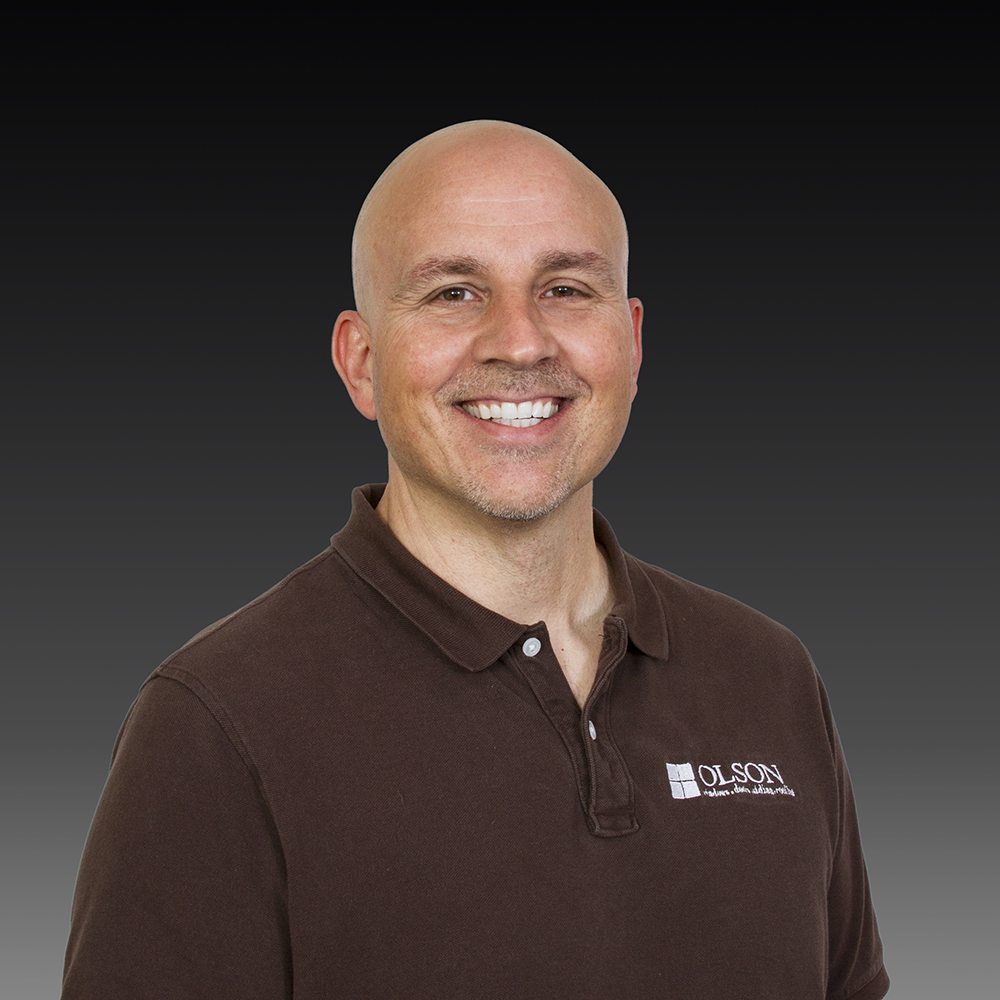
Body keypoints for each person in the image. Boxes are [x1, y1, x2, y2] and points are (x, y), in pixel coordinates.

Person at [62, 121, 889, 999]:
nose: (521, 343)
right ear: (361, 362)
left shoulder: (768, 675)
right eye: (455, 292)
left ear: (633, 342)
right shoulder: (213, 726)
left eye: (566, 288)